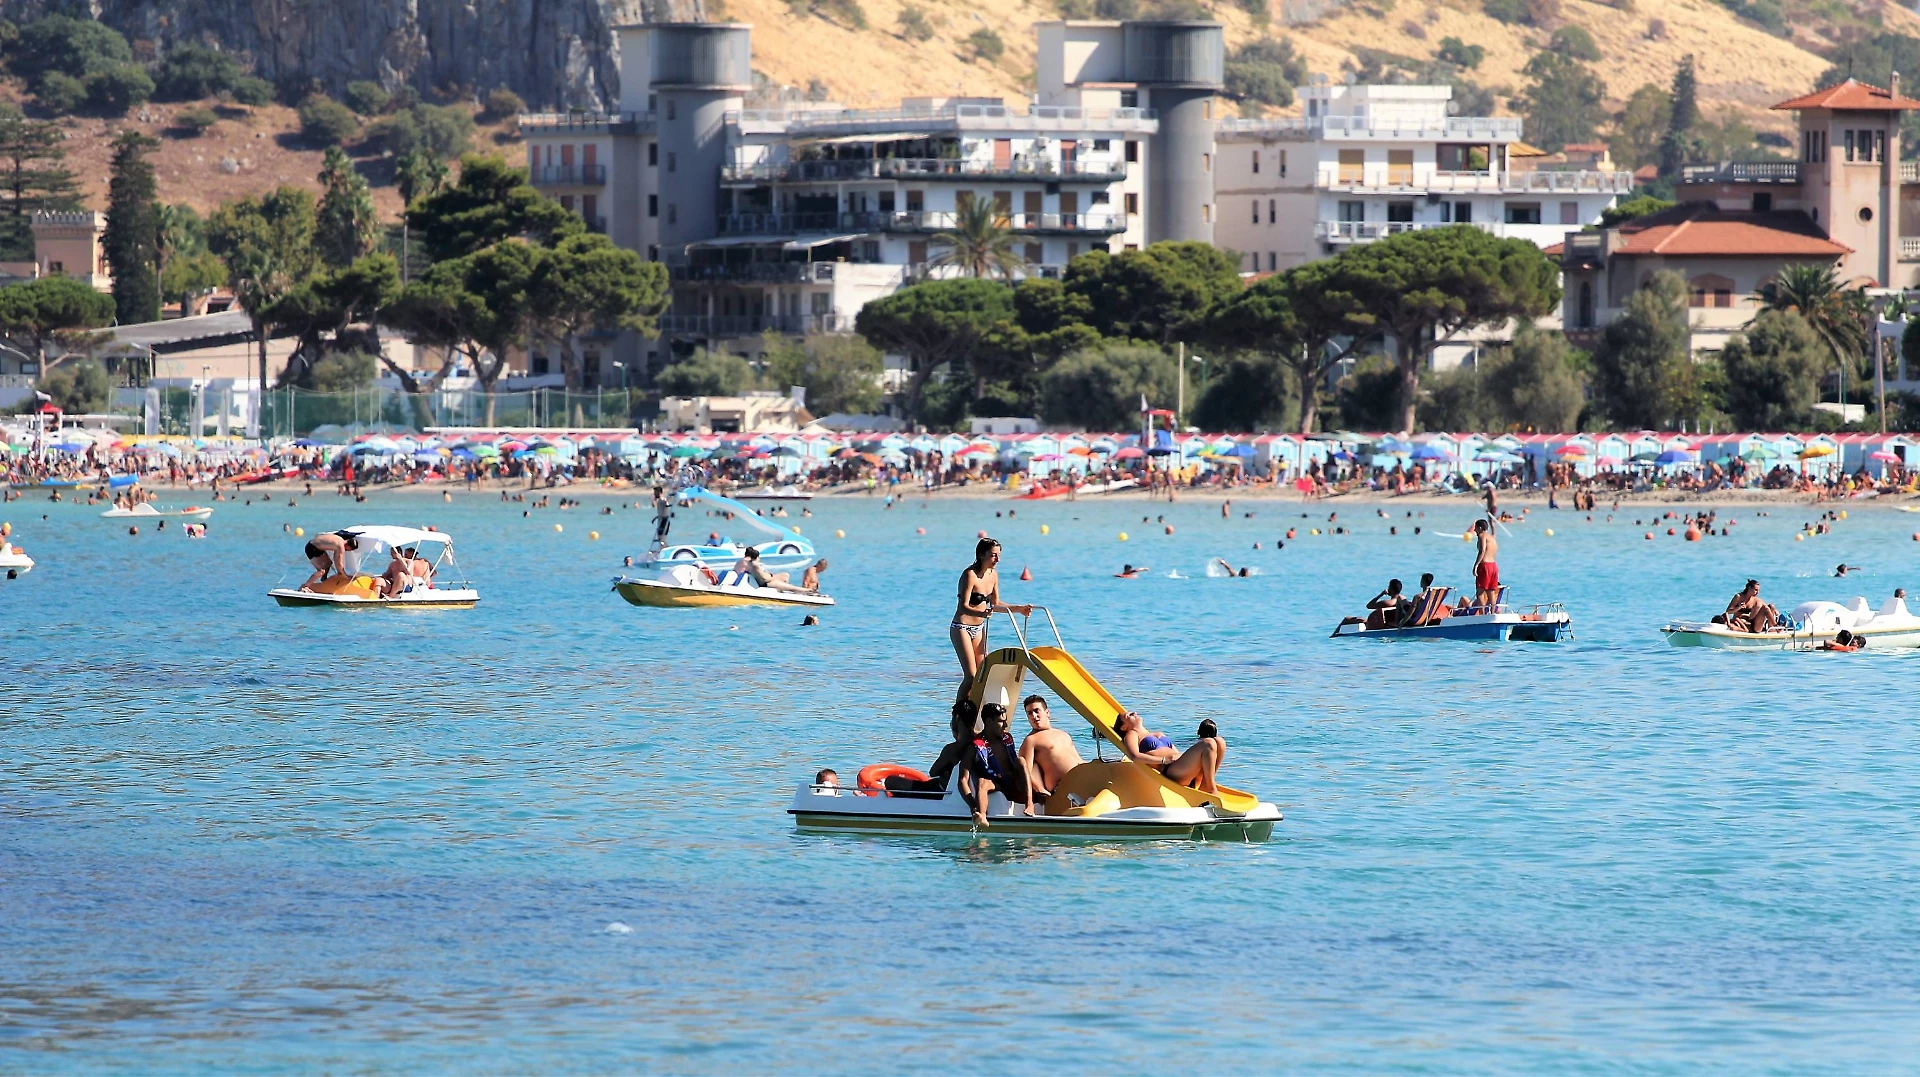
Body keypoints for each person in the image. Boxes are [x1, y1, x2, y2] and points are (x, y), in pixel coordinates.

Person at [950, 537, 1032, 703]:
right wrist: (982, 614)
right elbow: (963, 606)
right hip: (962, 627)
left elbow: (995, 604)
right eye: (993, 555)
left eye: (999, 555)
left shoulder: (993, 575)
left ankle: (976, 708)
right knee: (971, 676)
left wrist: (1019, 609)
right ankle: (958, 713)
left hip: (978, 629)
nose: (997, 559)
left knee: (983, 674)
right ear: (981, 554)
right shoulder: (969, 575)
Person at [885, 701, 979, 799]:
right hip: (960, 791)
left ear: (957, 717)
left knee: (891, 781)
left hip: (940, 792)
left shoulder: (952, 749)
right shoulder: (979, 742)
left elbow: (933, 772)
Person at [1114, 711, 1224, 794]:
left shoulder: (1155, 733)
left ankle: (1205, 785)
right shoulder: (1132, 734)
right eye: (1129, 715)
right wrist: (1164, 760)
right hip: (1171, 770)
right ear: (1124, 727)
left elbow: (1176, 753)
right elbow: (1134, 756)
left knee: (1220, 741)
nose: (1134, 713)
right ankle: (1211, 789)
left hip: (1181, 767)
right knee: (1209, 743)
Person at [964, 702, 1035, 825]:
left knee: (1021, 761)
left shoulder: (1007, 738)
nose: (1005, 725)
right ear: (989, 721)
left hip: (1013, 782)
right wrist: (972, 804)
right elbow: (962, 779)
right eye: (1001, 721)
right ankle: (982, 816)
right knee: (982, 781)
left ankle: (1030, 804)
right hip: (996, 783)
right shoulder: (975, 745)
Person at [1018, 695, 1084, 798]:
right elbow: (1024, 772)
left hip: (1082, 779)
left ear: (1047, 712)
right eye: (1029, 713)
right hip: (1062, 787)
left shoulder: (1064, 734)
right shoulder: (1031, 740)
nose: (1034, 716)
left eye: (1036, 711)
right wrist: (1040, 790)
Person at [738, 547, 809, 594]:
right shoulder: (755, 565)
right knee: (792, 587)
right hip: (765, 584)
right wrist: (772, 576)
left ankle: (782, 591)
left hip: (766, 582)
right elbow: (764, 578)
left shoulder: (751, 564)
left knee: (785, 576)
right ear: (757, 557)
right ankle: (808, 591)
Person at [1471, 518, 1499, 608]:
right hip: (1493, 566)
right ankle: (1493, 612)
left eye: (1475, 528)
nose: (1474, 530)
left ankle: (1482, 614)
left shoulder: (1482, 536)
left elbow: (1482, 551)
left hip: (1485, 565)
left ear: (1479, 528)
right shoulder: (1492, 538)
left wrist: (1476, 565)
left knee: (1480, 593)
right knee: (1490, 592)